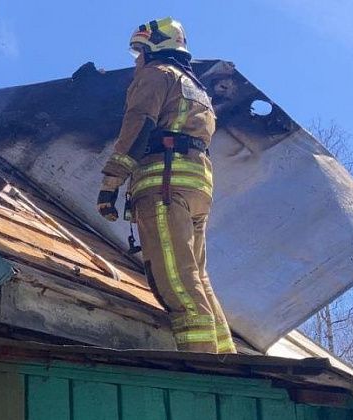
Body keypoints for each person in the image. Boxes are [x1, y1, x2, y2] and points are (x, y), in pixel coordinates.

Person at [97, 17, 236, 353]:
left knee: (175, 280)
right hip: (196, 188)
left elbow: (138, 125)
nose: (137, 61)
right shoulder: (196, 88)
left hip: (164, 186)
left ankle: (203, 365)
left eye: (140, 52)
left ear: (155, 48)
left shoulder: (157, 75)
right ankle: (226, 357)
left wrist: (110, 185)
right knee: (197, 277)